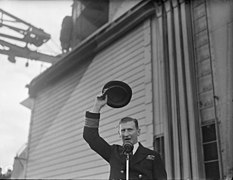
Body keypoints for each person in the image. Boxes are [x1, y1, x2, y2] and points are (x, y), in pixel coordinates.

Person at [83, 94, 167, 180]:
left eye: (130, 130)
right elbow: (90, 136)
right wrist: (97, 106)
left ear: (138, 132)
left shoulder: (152, 156)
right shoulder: (113, 153)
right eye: (123, 130)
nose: (126, 134)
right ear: (119, 133)